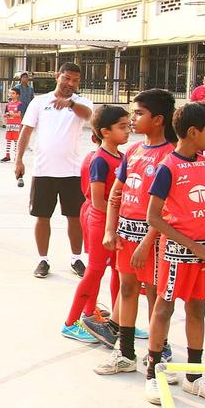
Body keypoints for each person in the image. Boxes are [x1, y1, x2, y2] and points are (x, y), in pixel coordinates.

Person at [143, 102, 205, 406]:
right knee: (164, 309)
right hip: (177, 253)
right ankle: (153, 373)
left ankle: (194, 376)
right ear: (193, 132)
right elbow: (154, 217)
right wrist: (194, 246)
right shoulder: (168, 167)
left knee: (198, 310)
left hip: (204, 254)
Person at [89, 89, 177, 375]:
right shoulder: (134, 152)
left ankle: (158, 352)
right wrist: (110, 229)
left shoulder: (171, 156)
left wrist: (147, 241)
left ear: (159, 119)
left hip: (153, 240)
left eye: (139, 113)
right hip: (126, 235)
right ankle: (125, 353)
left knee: (154, 294)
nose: (133, 119)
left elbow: (166, 210)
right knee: (127, 289)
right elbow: (116, 193)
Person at [13, 63, 93, 279]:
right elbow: (26, 131)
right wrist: (18, 160)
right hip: (43, 171)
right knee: (42, 217)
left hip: (73, 173)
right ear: (57, 76)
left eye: (75, 80)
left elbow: (88, 116)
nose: (70, 84)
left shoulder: (82, 103)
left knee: (75, 218)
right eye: (66, 78)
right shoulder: (39, 102)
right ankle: (43, 260)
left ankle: (76, 258)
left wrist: (70, 103)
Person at [60, 106, 129, 343]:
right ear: (105, 132)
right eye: (122, 126)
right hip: (102, 221)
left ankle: (117, 321)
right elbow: (98, 201)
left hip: (113, 221)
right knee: (95, 272)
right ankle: (71, 322)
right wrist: (112, 225)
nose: (128, 130)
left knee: (119, 272)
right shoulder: (100, 159)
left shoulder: (121, 157)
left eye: (128, 125)